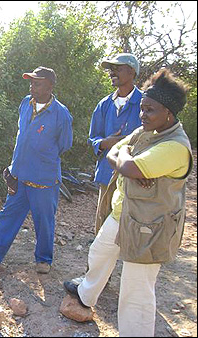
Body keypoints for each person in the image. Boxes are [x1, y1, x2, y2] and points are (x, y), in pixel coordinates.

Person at [63, 68, 192, 336]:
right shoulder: (149, 131)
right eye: (142, 109)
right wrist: (126, 161)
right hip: (125, 212)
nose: (143, 115)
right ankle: (87, 294)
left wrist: (128, 164)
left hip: (150, 225)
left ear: (169, 112)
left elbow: (127, 163)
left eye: (150, 110)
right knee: (99, 252)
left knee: (136, 290)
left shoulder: (175, 146)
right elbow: (115, 150)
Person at [0, 66, 73, 274]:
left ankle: (43, 260)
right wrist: (14, 165)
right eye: (31, 82)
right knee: (8, 215)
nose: (32, 87)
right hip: (19, 174)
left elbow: (65, 144)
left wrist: (41, 155)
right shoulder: (25, 103)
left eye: (38, 83)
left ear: (50, 87)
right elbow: (22, 136)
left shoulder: (60, 113)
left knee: (44, 221)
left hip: (44, 178)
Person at [88, 53, 143, 235]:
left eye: (117, 69)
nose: (112, 73)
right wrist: (106, 143)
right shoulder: (104, 105)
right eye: (111, 69)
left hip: (137, 176)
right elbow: (93, 138)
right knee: (103, 225)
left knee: (134, 225)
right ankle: (98, 264)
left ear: (132, 72)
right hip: (107, 174)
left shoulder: (145, 104)